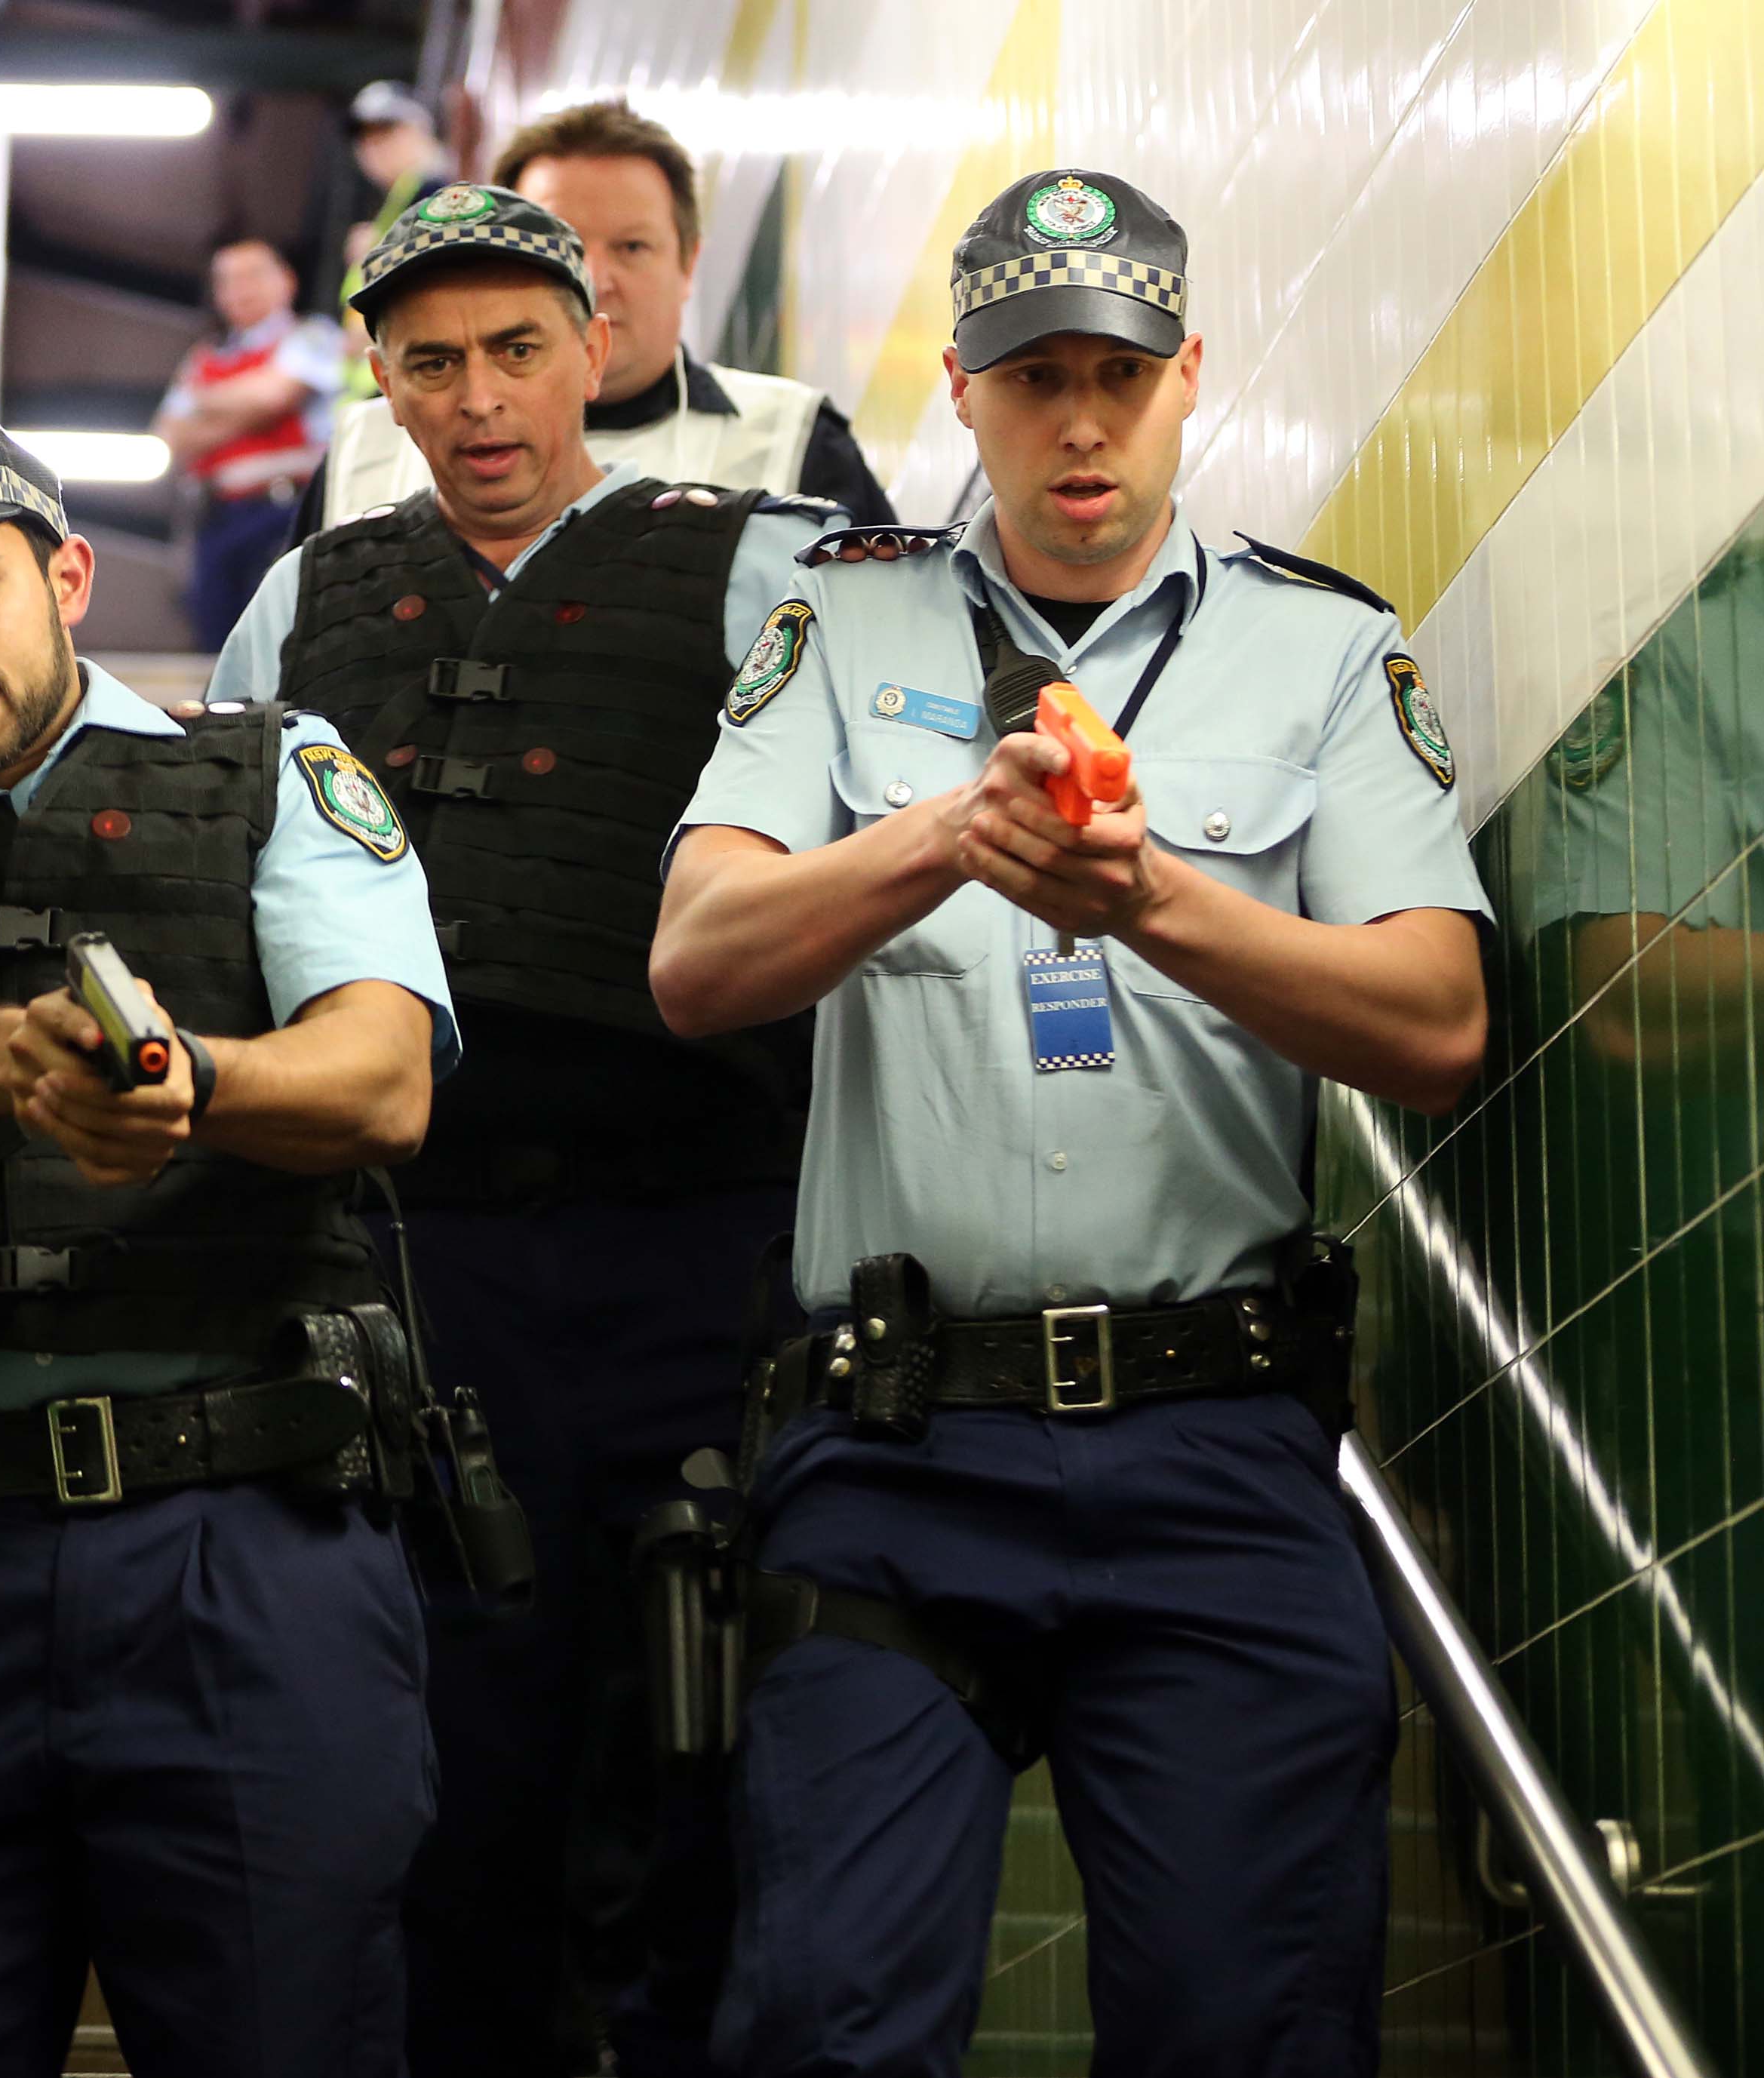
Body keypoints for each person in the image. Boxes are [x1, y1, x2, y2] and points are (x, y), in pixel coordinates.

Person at [650, 168, 1489, 2076]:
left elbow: (1438, 1021)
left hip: (1216, 1453)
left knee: (1245, 2025)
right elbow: (697, 959)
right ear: (961, 388)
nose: (1081, 419)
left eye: (1119, 369)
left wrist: (1149, 901)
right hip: (894, 1450)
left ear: (1191, 372)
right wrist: (953, 826)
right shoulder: (835, 632)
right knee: (824, 2019)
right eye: (1035, 376)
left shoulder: (1321, 654)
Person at [0, 401, 458, 2077]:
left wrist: (196, 1082)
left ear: (64, 573)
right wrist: (31, 1066)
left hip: (249, 1540)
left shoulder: (281, 770)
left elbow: (382, 1071)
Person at [207, 181, 836, 2078]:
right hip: (411, 1268)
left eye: (514, 350)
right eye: (430, 362)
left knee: (692, 1740)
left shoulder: (750, 565)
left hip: (692, 1245)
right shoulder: (300, 597)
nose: (477, 398)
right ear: (380, 384)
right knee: (444, 1760)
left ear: (596, 348)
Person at [306, 100, 893, 540]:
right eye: (567, 249)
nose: (596, 278)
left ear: (689, 262)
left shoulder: (793, 442)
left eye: (632, 247)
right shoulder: (362, 453)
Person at [155, 238, 347, 649]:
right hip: (216, 520)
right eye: (227, 281)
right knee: (215, 646)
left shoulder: (313, 336)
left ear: (287, 281)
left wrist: (201, 401)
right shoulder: (205, 354)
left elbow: (273, 397)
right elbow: (169, 436)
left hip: (286, 515)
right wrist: (248, 408)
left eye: (253, 276)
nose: (241, 289)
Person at [338, 81, 454, 399]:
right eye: (366, 139)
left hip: (401, 387)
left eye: (387, 133)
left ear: (421, 130)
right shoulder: (397, 205)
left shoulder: (434, 195)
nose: (374, 148)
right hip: (382, 387)